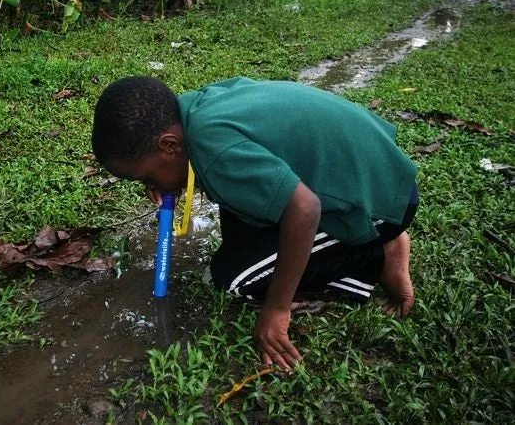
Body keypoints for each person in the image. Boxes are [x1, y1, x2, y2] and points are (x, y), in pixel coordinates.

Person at [91, 76, 419, 370]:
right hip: (370, 166)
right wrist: (167, 182)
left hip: (379, 202)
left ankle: (381, 253)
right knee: (236, 235)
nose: (149, 187)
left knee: (234, 279)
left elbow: (305, 210)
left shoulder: (215, 151)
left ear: (170, 145)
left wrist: (277, 309)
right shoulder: (197, 110)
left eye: (146, 177)